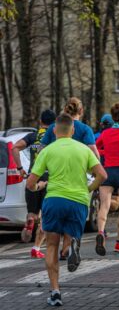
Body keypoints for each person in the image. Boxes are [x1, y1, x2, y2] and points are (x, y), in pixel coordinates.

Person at [26, 114, 107, 306]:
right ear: (72, 130)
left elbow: (31, 183)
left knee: (51, 245)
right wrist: (88, 188)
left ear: (54, 131)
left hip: (54, 200)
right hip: (78, 201)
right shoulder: (83, 149)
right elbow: (102, 175)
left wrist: (39, 187)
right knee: (70, 234)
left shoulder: (47, 150)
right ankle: (72, 246)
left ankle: (55, 292)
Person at [12, 109, 57, 258]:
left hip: (32, 177)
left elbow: (15, 148)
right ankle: (36, 248)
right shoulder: (55, 137)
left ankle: (30, 220)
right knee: (46, 216)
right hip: (49, 178)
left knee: (32, 213)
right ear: (54, 123)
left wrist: (20, 169)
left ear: (40, 121)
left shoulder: (32, 136)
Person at [94, 103, 119, 255]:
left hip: (108, 171)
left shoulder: (105, 133)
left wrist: (105, 152)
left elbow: (95, 148)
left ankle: (101, 232)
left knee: (104, 205)